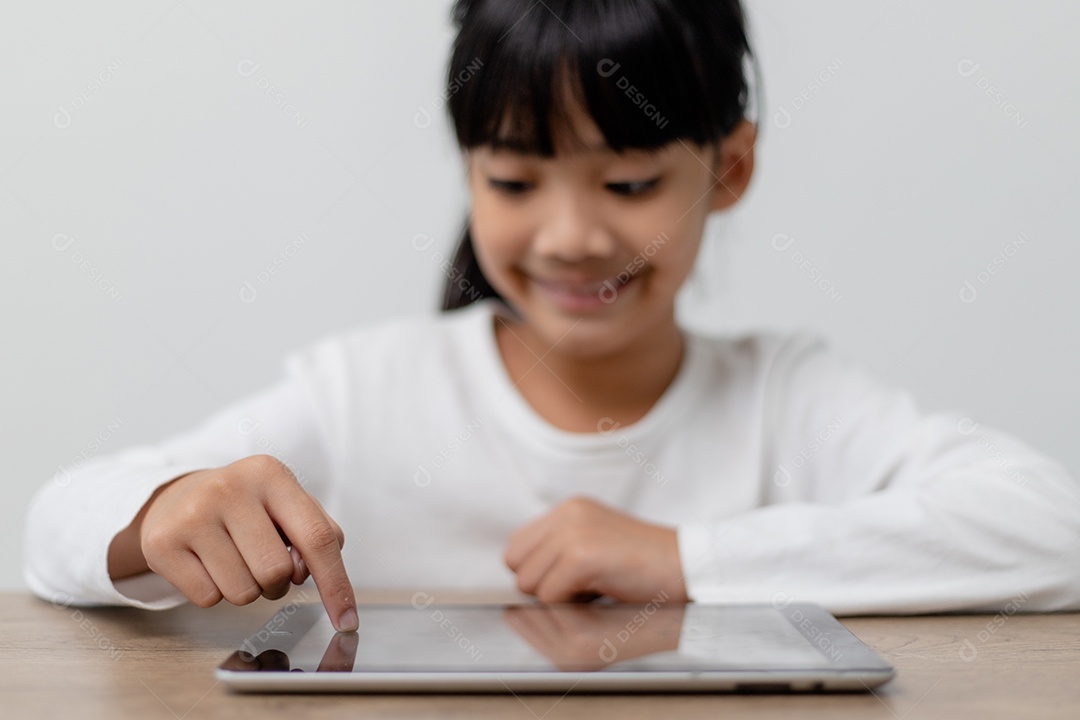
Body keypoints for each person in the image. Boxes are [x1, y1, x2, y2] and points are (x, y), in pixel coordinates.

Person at [24, 0, 1080, 634]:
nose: (571, 236)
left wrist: (684, 560)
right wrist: (158, 512)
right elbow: (52, 528)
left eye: (628, 184)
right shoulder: (362, 392)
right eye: (515, 182)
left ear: (730, 169)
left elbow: (1052, 528)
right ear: (469, 173)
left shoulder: (785, 396)